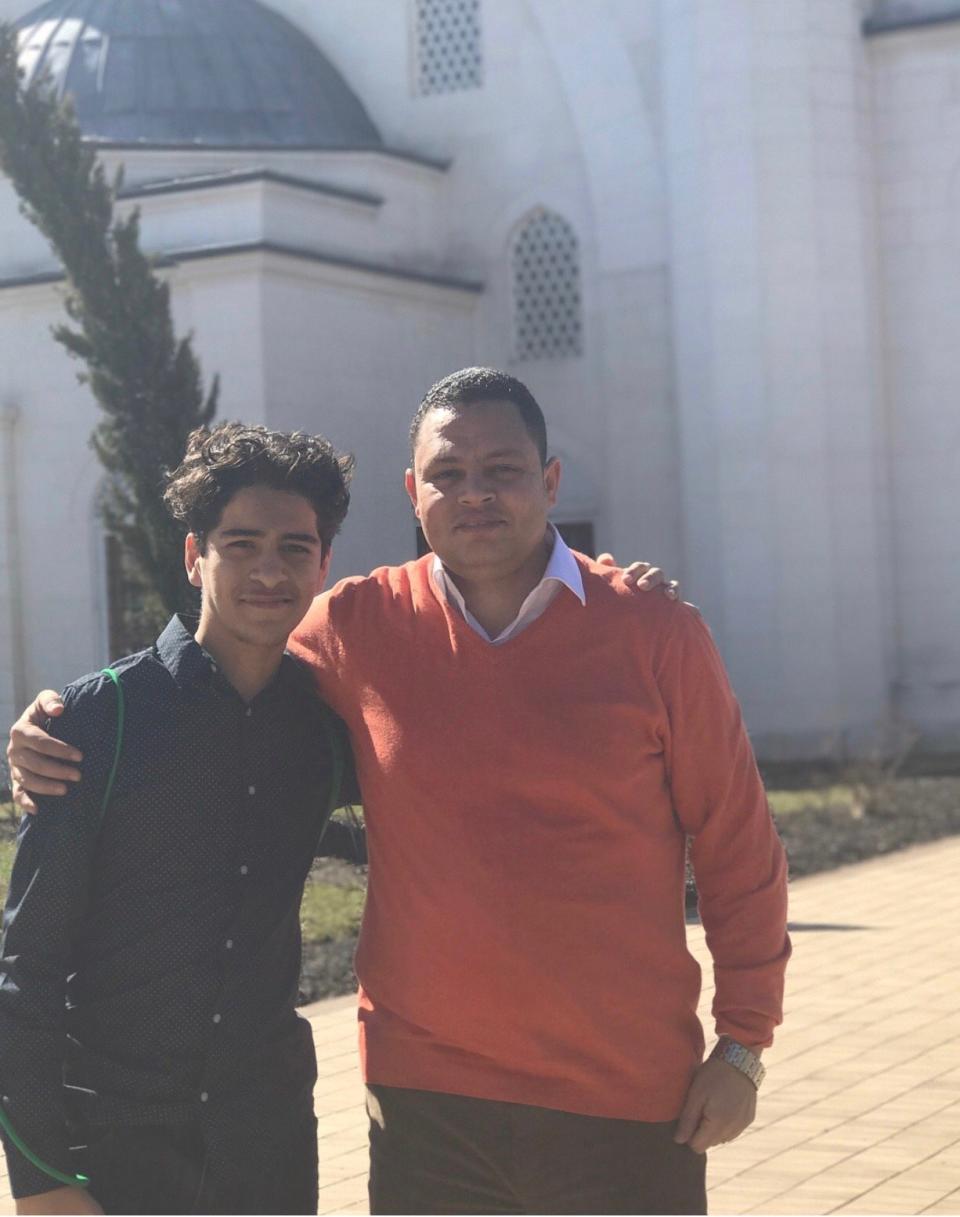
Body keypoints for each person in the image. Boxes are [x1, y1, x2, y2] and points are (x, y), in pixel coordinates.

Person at [8, 367, 763, 1216]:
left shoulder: (649, 630)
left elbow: (738, 845)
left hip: (607, 1106)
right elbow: (25, 967)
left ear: (549, 482)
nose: (473, 493)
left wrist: (742, 1048)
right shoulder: (329, 636)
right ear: (414, 492)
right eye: (446, 474)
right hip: (403, 1116)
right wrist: (54, 722)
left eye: (502, 470)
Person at [0, 423, 364, 1215]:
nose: (270, 570)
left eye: (295, 548)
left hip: (266, 1143)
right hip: (114, 1150)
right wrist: (39, 1178)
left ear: (324, 563)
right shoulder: (99, 720)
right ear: (195, 555)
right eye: (242, 544)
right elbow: (24, 972)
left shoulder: (324, 729)